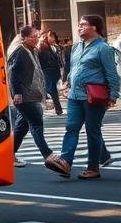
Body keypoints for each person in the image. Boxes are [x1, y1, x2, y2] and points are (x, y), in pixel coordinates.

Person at [45, 15, 120, 180]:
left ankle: (93, 167)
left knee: (92, 131)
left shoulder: (103, 48)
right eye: (79, 24)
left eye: (83, 25)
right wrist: (68, 83)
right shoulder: (77, 46)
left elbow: (112, 74)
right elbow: (74, 68)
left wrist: (113, 95)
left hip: (93, 96)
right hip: (74, 96)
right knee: (71, 127)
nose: (79, 27)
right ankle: (65, 162)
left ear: (94, 27)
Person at [7, 25, 54, 167]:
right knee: (36, 123)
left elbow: (37, 73)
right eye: (33, 37)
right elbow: (13, 73)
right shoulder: (20, 52)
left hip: (31, 94)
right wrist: (17, 92)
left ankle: (8, 155)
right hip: (24, 96)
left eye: (37, 36)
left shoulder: (31, 50)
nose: (36, 39)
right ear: (24, 38)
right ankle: (48, 154)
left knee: (22, 127)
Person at [38, 30, 65, 116]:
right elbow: (48, 59)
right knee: (51, 89)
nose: (53, 39)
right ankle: (56, 108)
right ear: (47, 36)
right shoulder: (43, 45)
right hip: (48, 71)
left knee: (51, 90)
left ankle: (57, 108)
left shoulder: (48, 46)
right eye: (52, 37)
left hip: (50, 71)